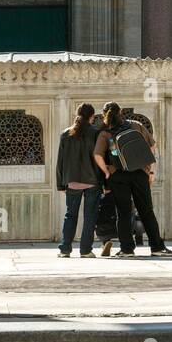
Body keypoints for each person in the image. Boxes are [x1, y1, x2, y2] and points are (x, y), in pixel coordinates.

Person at [93, 102, 172, 259]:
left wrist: (106, 172)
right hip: (139, 173)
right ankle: (157, 247)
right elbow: (152, 147)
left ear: (104, 114)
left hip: (118, 176)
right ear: (121, 112)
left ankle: (127, 249)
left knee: (123, 213)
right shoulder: (136, 125)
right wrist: (149, 170)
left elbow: (97, 155)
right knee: (146, 211)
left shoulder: (105, 132)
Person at [55, 102, 102, 258]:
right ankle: (86, 250)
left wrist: (60, 184)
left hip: (72, 181)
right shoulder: (96, 133)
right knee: (90, 216)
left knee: (70, 215)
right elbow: (101, 158)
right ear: (92, 116)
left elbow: (60, 161)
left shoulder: (66, 134)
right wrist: (106, 183)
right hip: (92, 181)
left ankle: (65, 249)